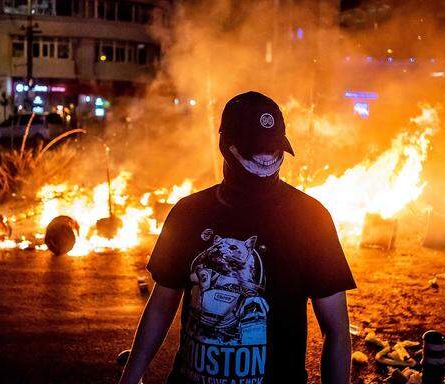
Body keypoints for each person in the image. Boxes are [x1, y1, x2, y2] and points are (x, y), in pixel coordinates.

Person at [119, 91, 356, 384]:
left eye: (273, 148)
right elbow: (161, 305)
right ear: (226, 145)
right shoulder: (189, 212)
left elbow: (336, 330)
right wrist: (129, 378)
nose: (268, 158)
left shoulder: (311, 218)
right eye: (256, 149)